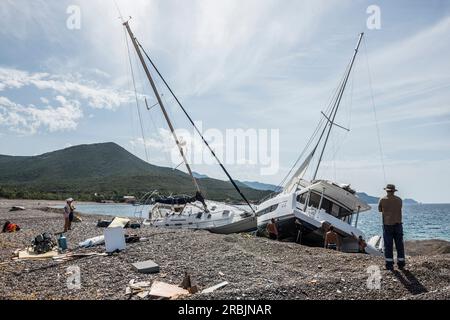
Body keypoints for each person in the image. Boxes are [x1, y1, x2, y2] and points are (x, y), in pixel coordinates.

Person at [378, 184, 405, 271]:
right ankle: (401, 264)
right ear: (394, 191)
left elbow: (380, 210)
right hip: (398, 224)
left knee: (388, 245)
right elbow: (399, 208)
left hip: (387, 225)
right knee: (399, 245)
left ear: (386, 190)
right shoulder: (399, 200)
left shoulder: (382, 200)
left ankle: (389, 265)